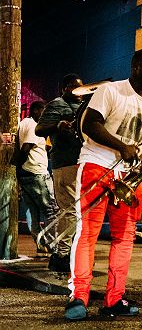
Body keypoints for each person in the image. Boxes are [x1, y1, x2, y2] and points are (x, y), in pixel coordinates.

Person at [64, 49, 142, 321]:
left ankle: (114, 298)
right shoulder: (111, 91)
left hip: (129, 177)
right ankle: (79, 296)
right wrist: (123, 147)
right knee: (87, 233)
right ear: (134, 66)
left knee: (124, 238)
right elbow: (90, 124)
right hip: (97, 164)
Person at [35, 73, 84, 272]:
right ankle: (62, 255)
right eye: (73, 87)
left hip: (81, 164)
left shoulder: (82, 106)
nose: (78, 91)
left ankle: (65, 253)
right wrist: (58, 125)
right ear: (63, 89)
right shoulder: (57, 105)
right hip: (65, 164)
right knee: (71, 211)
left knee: (76, 212)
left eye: (81, 87)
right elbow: (39, 129)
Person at [16, 101, 59, 256]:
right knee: (51, 210)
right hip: (36, 173)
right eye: (43, 111)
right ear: (35, 110)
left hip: (27, 174)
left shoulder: (23, 123)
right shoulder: (34, 125)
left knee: (33, 212)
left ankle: (41, 245)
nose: (45, 115)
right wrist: (19, 166)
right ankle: (53, 247)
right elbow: (26, 148)